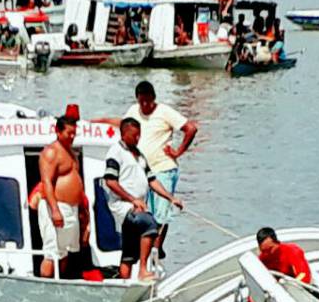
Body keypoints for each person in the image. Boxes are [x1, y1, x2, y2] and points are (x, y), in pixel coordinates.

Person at [94, 81, 198, 260]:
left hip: (163, 168)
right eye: (141, 102)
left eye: (147, 102)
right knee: (144, 212)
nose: (144, 106)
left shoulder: (164, 112)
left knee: (160, 214)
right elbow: (123, 123)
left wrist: (178, 152)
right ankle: (146, 249)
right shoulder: (134, 111)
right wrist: (100, 122)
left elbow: (191, 128)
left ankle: (155, 251)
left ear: (153, 99)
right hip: (142, 169)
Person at [102, 118, 183, 281]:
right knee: (149, 223)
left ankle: (124, 284)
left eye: (139, 135)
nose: (137, 139)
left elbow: (152, 180)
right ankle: (143, 270)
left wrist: (170, 197)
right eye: (134, 135)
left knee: (129, 253)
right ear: (123, 134)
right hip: (123, 205)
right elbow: (110, 181)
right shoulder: (115, 153)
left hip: (137, 206)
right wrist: (133, 200)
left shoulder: (139, 155)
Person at [37, 114, 89, 279]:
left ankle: (61, 280)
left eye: (74, 133)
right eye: (69, 133)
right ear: (58, 131)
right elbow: (46, 182)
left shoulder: (72, 153)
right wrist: (55, 210)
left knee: (65, 250)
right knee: (51, 251)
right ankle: (46, 284)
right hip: (56, 206)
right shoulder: (51, 152)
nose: (72, 136)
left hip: (72, 209)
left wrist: (83, 213)